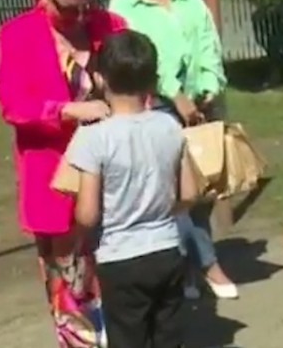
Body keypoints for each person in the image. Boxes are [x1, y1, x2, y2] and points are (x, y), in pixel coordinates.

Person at [0, 0, 127, 347]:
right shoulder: (17, 35)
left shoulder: (112, 26)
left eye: (88, 4)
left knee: (121, 273)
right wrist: (67, 110)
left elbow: (139, 81)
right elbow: (13, 105)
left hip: (116, 172)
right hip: (55, 176)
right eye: (69, 7)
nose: (80, 17)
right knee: (70, 282)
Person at [108, 0, 237, 300]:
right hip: (156, 106)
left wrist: (209, 85)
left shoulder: (189, 0)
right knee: (171, 193)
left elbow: (208, 44)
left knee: (202, 187)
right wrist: (174, 93)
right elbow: (138, 56)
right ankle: (205, 265)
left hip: (202, 104)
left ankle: (191, 269)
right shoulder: (123, 7)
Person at [64, 30, 199, 348]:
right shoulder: (170, 126)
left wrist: (79, 239)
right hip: (167, 250)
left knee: (128, 339)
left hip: (119, 258)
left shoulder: (93, 137)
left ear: (100, 79)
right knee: (169, 338)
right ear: (153, 81)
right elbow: (190, 193)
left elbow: (88, 213)